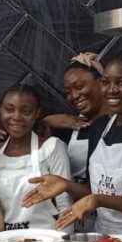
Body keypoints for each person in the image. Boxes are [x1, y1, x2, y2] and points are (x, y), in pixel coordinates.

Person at [23, 51, 122, 239]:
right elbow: (95, 189)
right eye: (106, 83)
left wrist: (99, 200)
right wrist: (66, 185)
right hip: (102, 238)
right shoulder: (100, 127)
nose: (111, 90)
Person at [0, 85, 72, 233]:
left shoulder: (51, 148)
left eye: (26, 111)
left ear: (37, 113)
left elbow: (65, 203)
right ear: (0, 110)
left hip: (46, 239)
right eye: (9, 109)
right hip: (6, 241)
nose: (16, 117)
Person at [42, 52, 107, 183]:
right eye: (68, 92)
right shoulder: (68, 128)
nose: (74, 96)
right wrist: (46, 123)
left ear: (101, 82)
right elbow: (46, 167)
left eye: (79, 87)